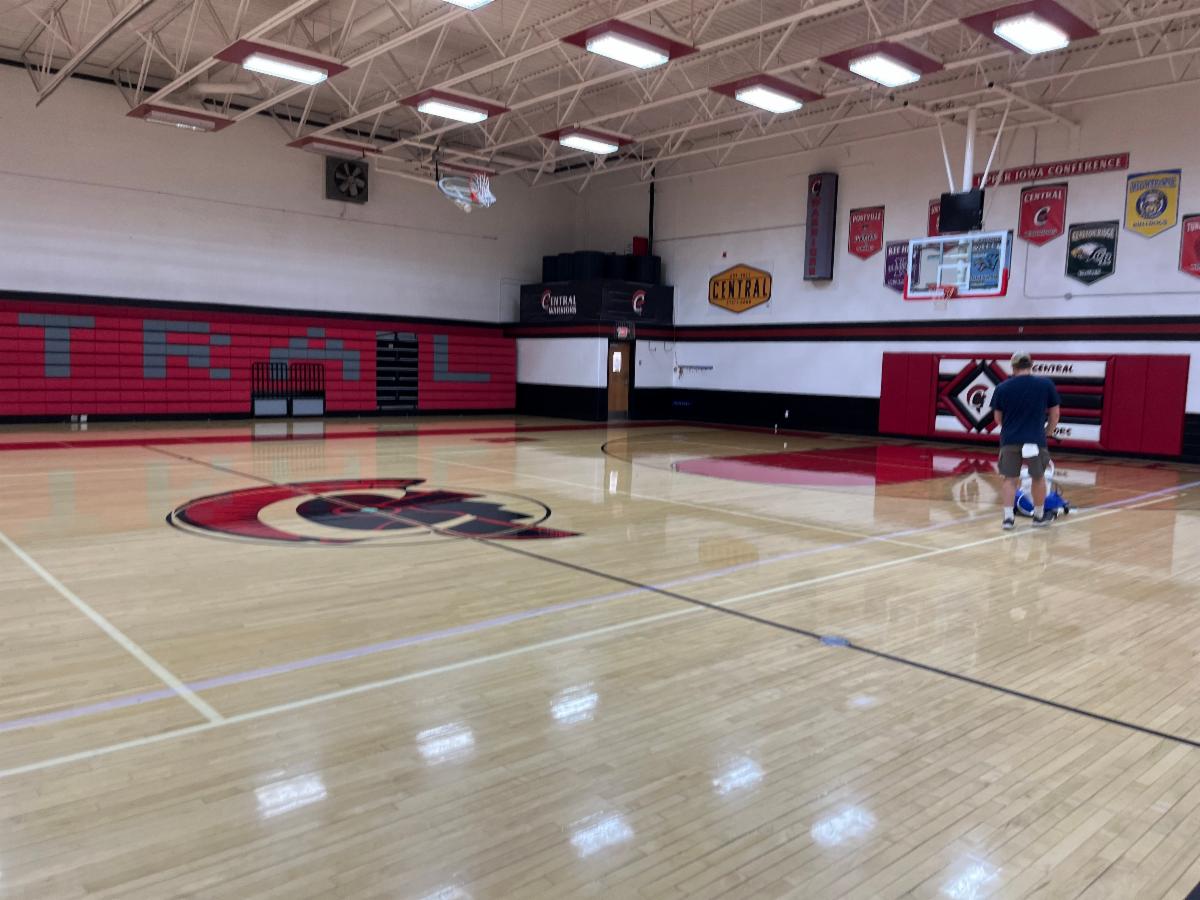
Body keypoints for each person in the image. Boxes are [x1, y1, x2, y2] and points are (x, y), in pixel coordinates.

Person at [990, 352, 1061, 530]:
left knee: (1010, 479)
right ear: (1032, 365)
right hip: (1035, 440)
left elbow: (998, 418)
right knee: (1038, 478)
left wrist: (1011, 428)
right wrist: (1047, 432)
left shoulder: (1002, 388)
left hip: (1010, 439)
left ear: (1013, 367)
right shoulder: (1045, 385)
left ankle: (1008, 519)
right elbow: (1055, 414)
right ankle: (1038, 516)